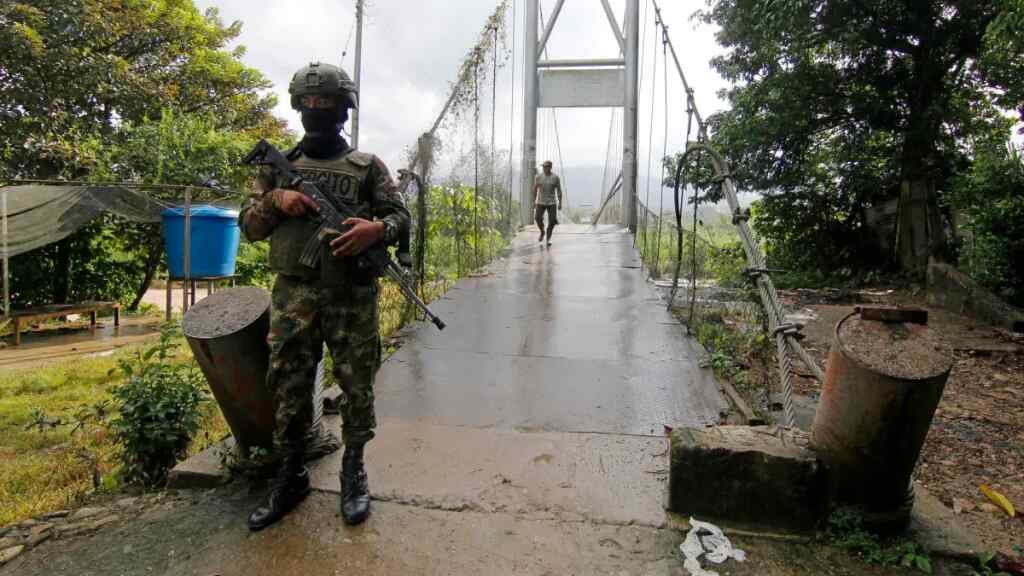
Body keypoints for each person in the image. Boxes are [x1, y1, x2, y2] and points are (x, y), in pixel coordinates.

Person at [238, 62, 411, 531]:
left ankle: (353, 471)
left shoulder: (368, 167)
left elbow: (402, 218)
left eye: (326, 102)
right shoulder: (277, 169)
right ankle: (290, 475)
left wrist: (377, 229)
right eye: (309, 102)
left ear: (343, 109)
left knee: (357, 386)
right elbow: (249, 229)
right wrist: (276, 200)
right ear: (298, 107)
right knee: (289, 386)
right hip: (293, 297)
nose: (317, 109)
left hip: (352, 298)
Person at [533, 160, 562, 246]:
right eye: (543, 167)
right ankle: (542, 232)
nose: (544, 168)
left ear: (550, 167)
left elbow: (559, 191)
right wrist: (534, 201)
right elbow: (535, 189)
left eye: (546, 167)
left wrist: (560, 203)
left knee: (552, 221)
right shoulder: (538, 177)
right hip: (541, 202)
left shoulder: (555, 177)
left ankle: (548, 238)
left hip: (552, 202)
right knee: (537, 218)